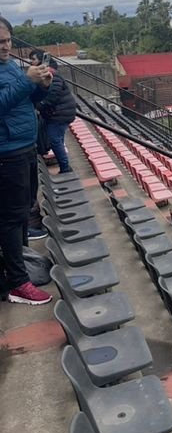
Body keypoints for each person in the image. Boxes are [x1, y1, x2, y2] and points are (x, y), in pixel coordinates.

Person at [0, 16, 55, 306]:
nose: (5, 46)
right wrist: (26, 81)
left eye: (8, 40)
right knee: (10, 219)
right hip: (6, 153)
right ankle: (18, 282)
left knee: (22, 212)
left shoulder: (9, 66)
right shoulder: (13, 70)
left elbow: (23, 100)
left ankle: (21, 260)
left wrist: (41, 86)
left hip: (23, 147)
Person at [33, 54, 76, 176]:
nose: (31, 62)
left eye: (33, 59)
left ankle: (65, 167)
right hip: (57, 113)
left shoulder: (51, 75)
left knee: (55, 140)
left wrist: (39, 106)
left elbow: (52, 96)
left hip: (59, 114)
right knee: (57, 140)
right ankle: (64, 165)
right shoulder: (44, 75)